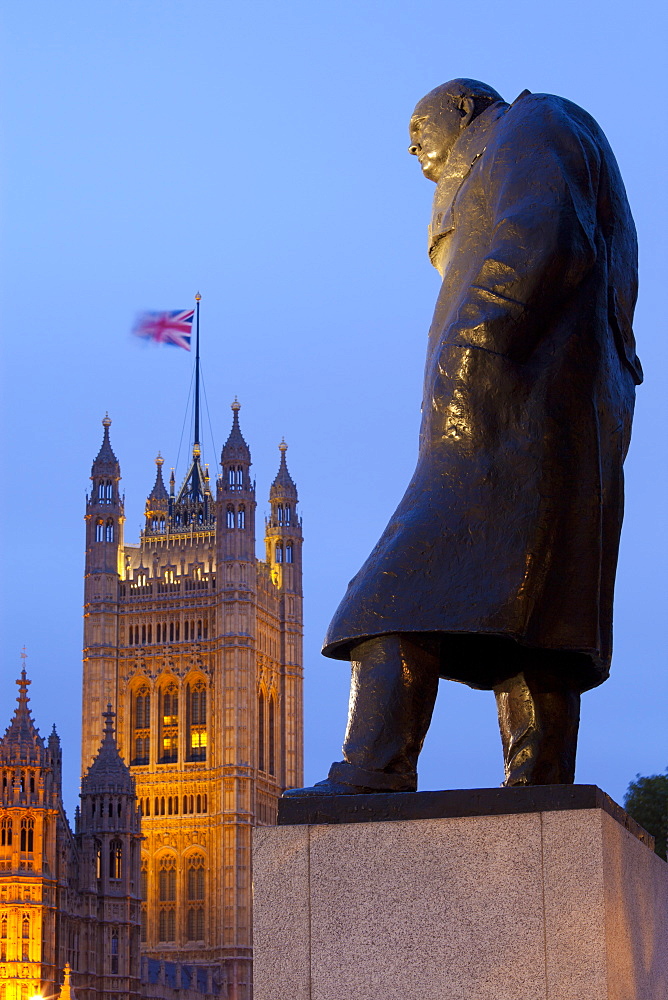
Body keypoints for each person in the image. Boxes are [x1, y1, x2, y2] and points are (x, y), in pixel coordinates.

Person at [286, 79, 642, 796]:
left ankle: (373, 766)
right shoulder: (534, 141)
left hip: (506, 405)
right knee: (538, 621)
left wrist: (476, 337)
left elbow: (542, 232)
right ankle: (539, 785)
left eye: (421, 128)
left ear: (465, 110)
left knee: (388, 598)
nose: (412, 146)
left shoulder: (532, 124)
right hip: (554, 413)